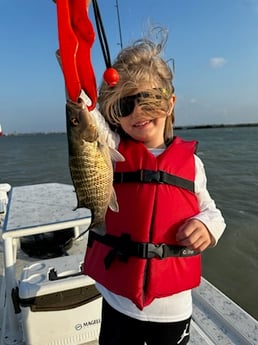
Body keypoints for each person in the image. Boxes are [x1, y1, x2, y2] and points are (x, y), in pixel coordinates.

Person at [83, 28, 226, 345]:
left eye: (148, 98)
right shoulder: (113, 148)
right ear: (115, 116)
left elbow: (212, 212)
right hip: (118, 302)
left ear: (170, 101)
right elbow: (84, 110)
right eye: (124, 106)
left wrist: (206, 226)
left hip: (171, 311)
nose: (137, 112)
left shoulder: (192, 164)